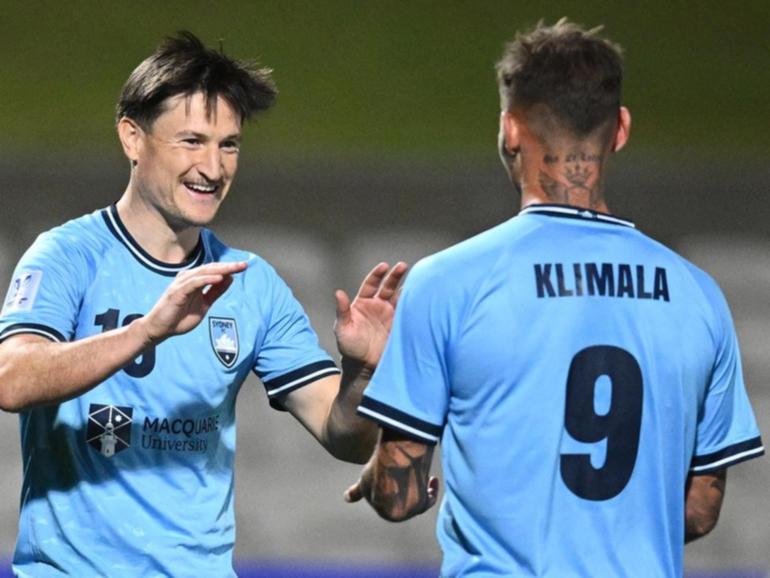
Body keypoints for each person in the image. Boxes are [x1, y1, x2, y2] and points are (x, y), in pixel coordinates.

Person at [345, 18, 764, 577]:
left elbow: (399, 496)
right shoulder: (699, 296)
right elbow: (699, 509)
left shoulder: (448, 281)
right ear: (620, 129)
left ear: (509, 129)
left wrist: (379, 467)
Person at [0, 32, 406, 577]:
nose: (213, 168)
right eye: (191, 141)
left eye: (229, 144)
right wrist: (146, 332)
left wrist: (361, 374)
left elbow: (347, 439)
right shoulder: (67, 256)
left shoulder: (252, 284)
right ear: (132, 138)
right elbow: (11, 379)